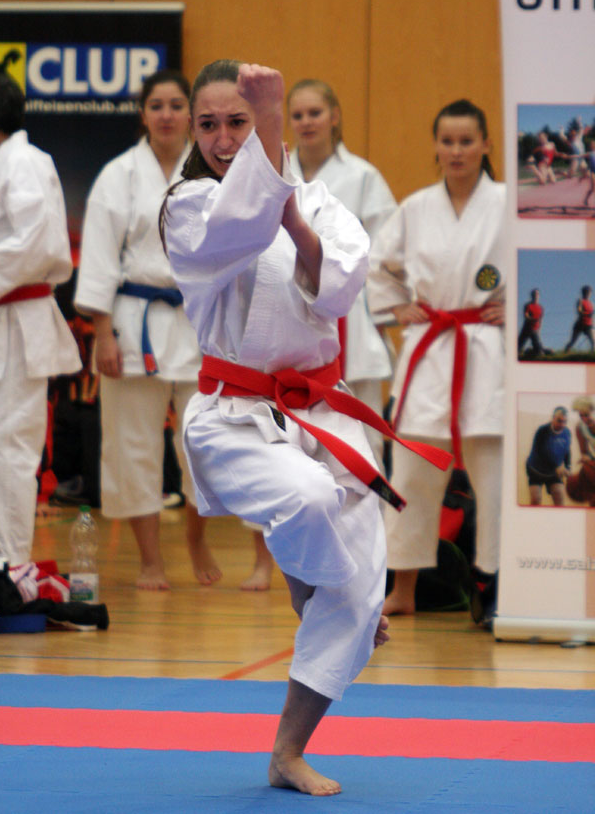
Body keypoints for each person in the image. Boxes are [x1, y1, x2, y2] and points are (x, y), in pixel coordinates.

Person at [160, 60, 446, 796]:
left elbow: (340, 288)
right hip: (234, 415)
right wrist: (271, 125)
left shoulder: (320, 201)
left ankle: (287, 752)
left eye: (239, 120)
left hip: (321, 411)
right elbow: (240, 229)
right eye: (209, 124)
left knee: (358, 603)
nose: (224, 138)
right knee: (313, 508)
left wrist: (293, 213)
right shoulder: (187, 204)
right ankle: (310, 586)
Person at [75, 69, 220, 590]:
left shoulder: (211, 173)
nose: (166, 115)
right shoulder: (118, 175)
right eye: (156, 105)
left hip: (200, 321)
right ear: (143, 114)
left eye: (176, 105)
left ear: (192, 115)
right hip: (132, 322)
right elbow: (98, 256)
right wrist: (102, 333)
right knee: (131, 445)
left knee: (203, 440)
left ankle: (197, 538)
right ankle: (150, 559)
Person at [367, 99, 506, 617]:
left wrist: (516, 306)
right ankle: (402, 589)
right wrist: (397, 307)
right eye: (447, 142)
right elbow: (378, 265)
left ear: (486, 144)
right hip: (431, 347)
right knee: (410, 475)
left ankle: (491, 586)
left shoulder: (509, 204)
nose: (456, 151)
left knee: (493, 477)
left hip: (487, 346)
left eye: (467, 141)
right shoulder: (417, 208)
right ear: (436, 147)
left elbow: (542, 261)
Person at [286, 78, 396, 469]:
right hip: (290, 312)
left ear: (334, 116)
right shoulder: (276, 174)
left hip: (353, 320)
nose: (306, 122)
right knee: (295, 445)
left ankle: (369, 507)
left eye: (314, 113)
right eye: (298, 115)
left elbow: (388, 252)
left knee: (364, 444)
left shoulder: (363, 176)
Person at [0, 72, 81, 565]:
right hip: (3, 316)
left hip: (16, 323)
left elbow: (37, 245)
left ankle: (9, 566)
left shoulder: (24, 161)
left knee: (10, 445)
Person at [525, 406, 571, 506]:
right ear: (553, 418)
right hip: (536, 470)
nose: (562, 424)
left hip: (553, 473)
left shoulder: (567, 433)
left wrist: (568, 467)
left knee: (559, 496)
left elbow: (567, 451)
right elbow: (542, 452)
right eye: (559, 421)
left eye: (565, 421)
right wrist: (557, 466)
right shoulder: (542, 431)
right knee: (536, 499)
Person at [564, 285, 594, 353]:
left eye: (589, 292)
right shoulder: (580, 301)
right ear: (583, 293)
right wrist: (587, 314)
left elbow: (592, 314)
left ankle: (592, 355)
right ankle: (565, 352)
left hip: (589, 324)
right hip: (580, 324)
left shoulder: (591, 303)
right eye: (587, 292)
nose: (588, 294)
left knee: (593, 340)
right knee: (573, 341)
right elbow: (579, 311)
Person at [518, 288, 545, 357]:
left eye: (537, 294)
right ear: (531, 295)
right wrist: (533, 319)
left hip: (535, 329)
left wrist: (539, 328)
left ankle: (529, 352)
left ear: (539, 296)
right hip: (527, 328)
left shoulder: (540, 308)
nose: (536, 296)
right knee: (518, 346)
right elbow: (526, 316)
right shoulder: (528, 305)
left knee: (538, 348)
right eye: (534, 294)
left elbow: (540, 319)